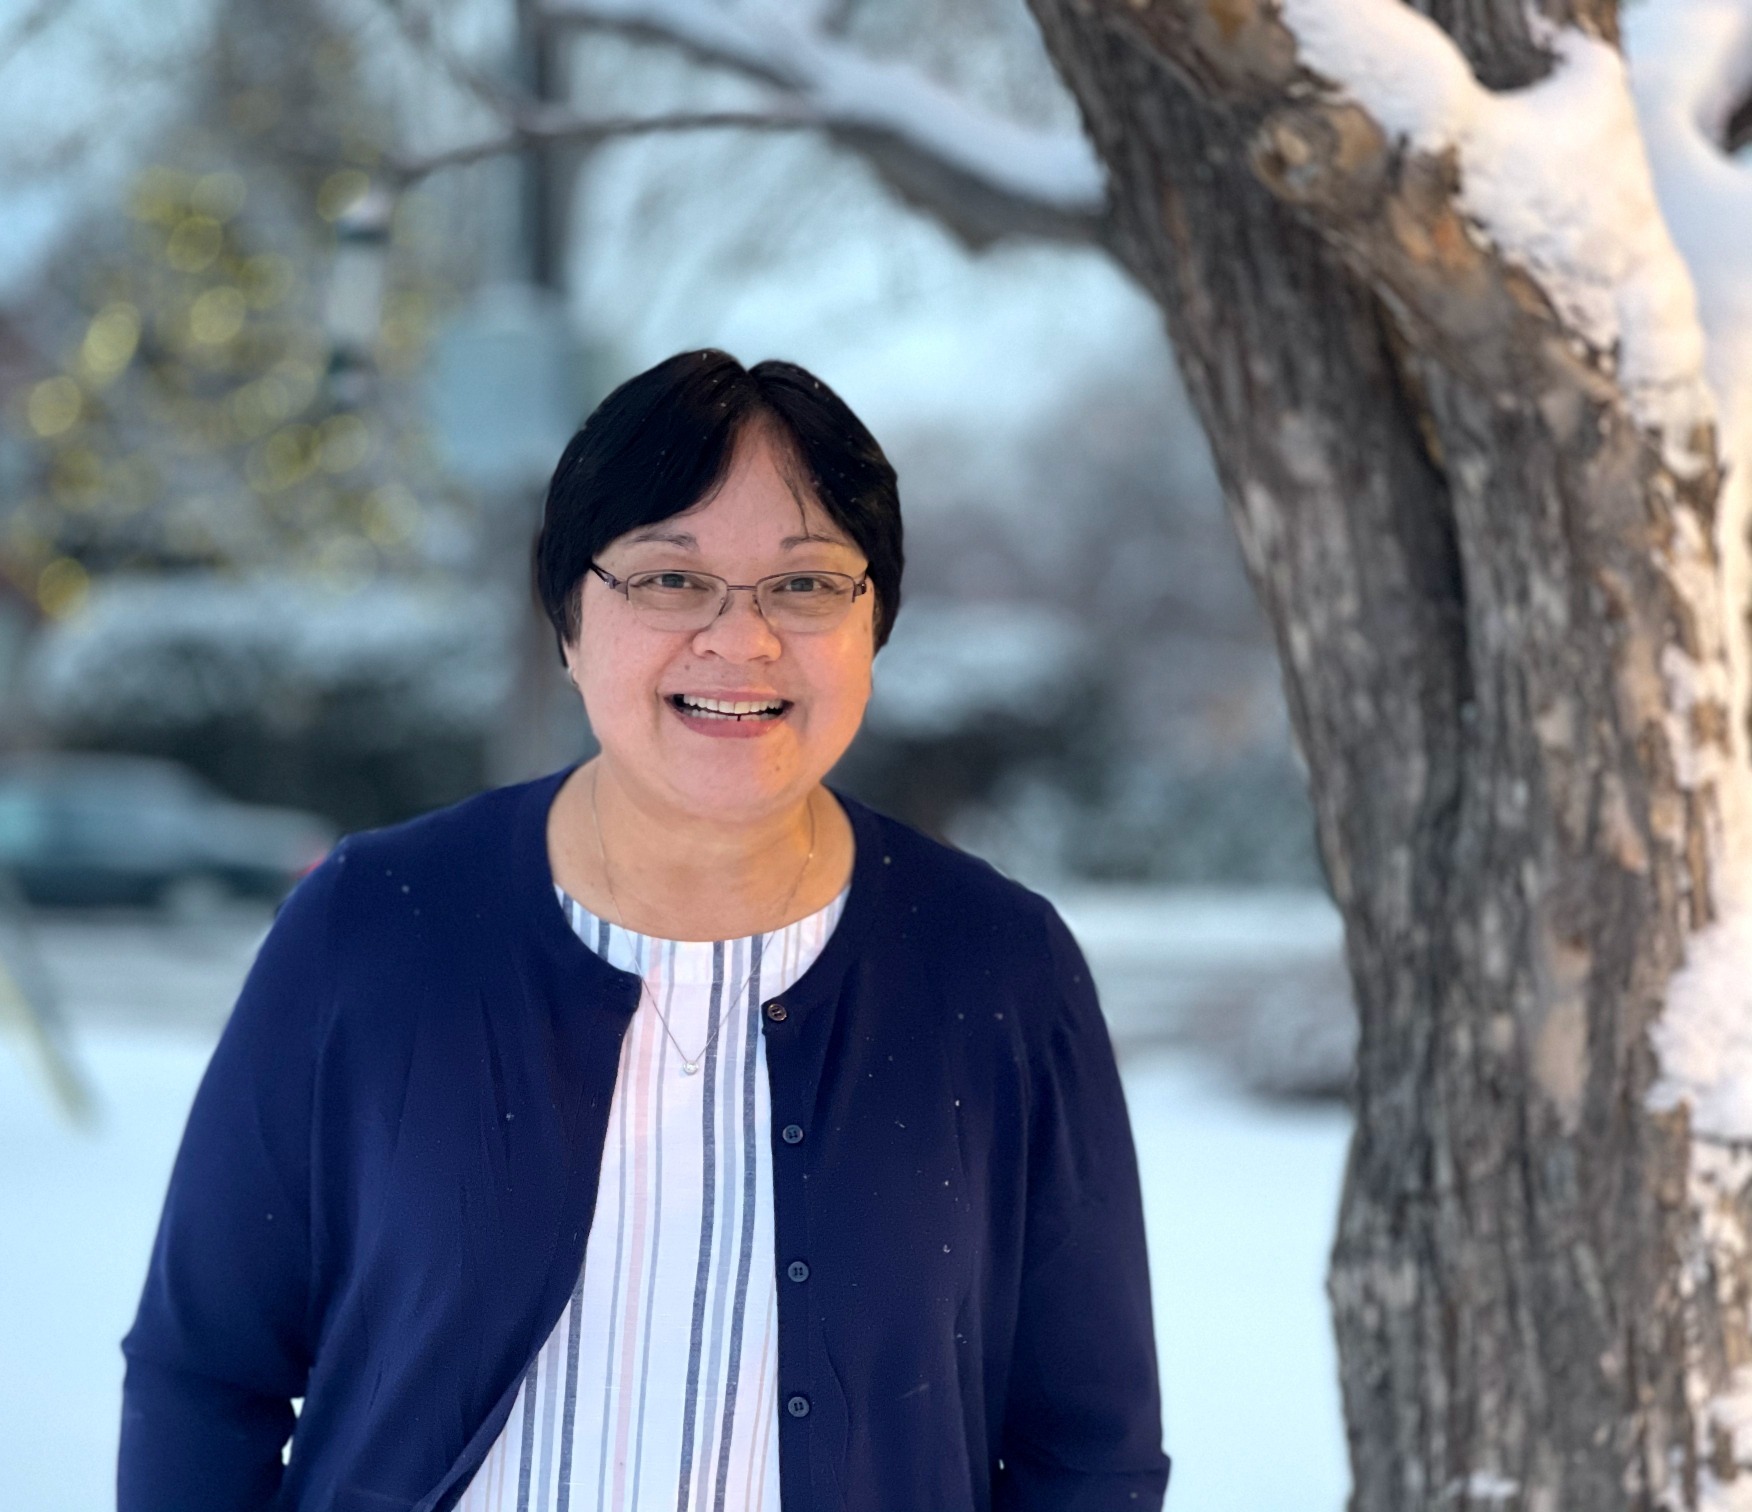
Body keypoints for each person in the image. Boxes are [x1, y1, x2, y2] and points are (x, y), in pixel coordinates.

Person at [118, 349, 1170, 1512]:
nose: (742, 639)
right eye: (671, 578)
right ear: (569, 620)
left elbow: (1089, 1449)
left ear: (875, 623)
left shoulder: (999, 966)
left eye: (805, 583)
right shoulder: (370, 926)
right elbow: (205, 1372)